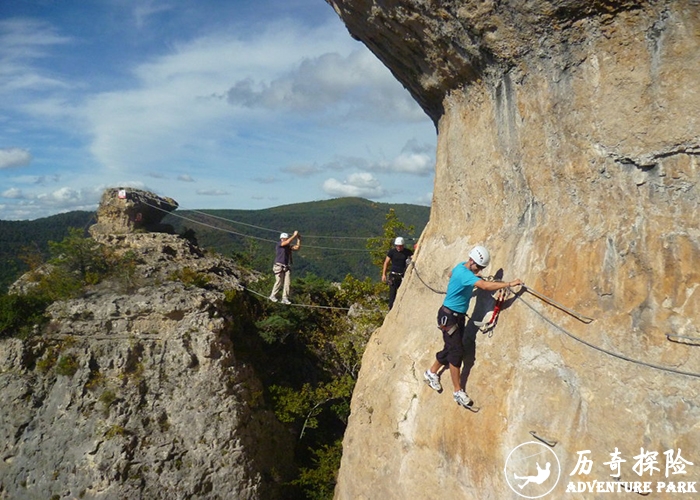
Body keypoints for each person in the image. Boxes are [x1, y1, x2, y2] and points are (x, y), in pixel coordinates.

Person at [423, 245, 523, 409]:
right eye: (480, 267)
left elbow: (451, 274)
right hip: (449, 317)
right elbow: (484, 286)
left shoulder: (461, 266)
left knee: (451, 348)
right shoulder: (466, 274)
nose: (480, 270)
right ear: (473, 262)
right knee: (456, 354)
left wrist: (469, 281)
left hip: (454, 316)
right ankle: (457, 391)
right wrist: (509, 283)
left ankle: (431, 373)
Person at [269, 231, 301, 304]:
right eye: (285, 238)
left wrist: (298, 239)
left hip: (286, 266)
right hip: (279, 265)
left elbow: (297, 247)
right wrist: (294, 235)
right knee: (279, 281)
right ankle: (272, 295)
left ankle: (285, 298)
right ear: (282, 239)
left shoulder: (288, 246)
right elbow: (286, 242)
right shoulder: (279, 244)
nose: (286, 240)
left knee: (287, 283)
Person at [382, 237, 413, 310]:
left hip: (402, 275)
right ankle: (391, 309)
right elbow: (386, 262)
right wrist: (384, 274)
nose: (398, 247)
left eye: (400, 246)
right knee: (392, 293)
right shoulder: (392, 252)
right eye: (397, 246)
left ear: (403, 245)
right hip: (393, 275)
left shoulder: (407, 252)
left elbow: (413, 257)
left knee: (403, 293)